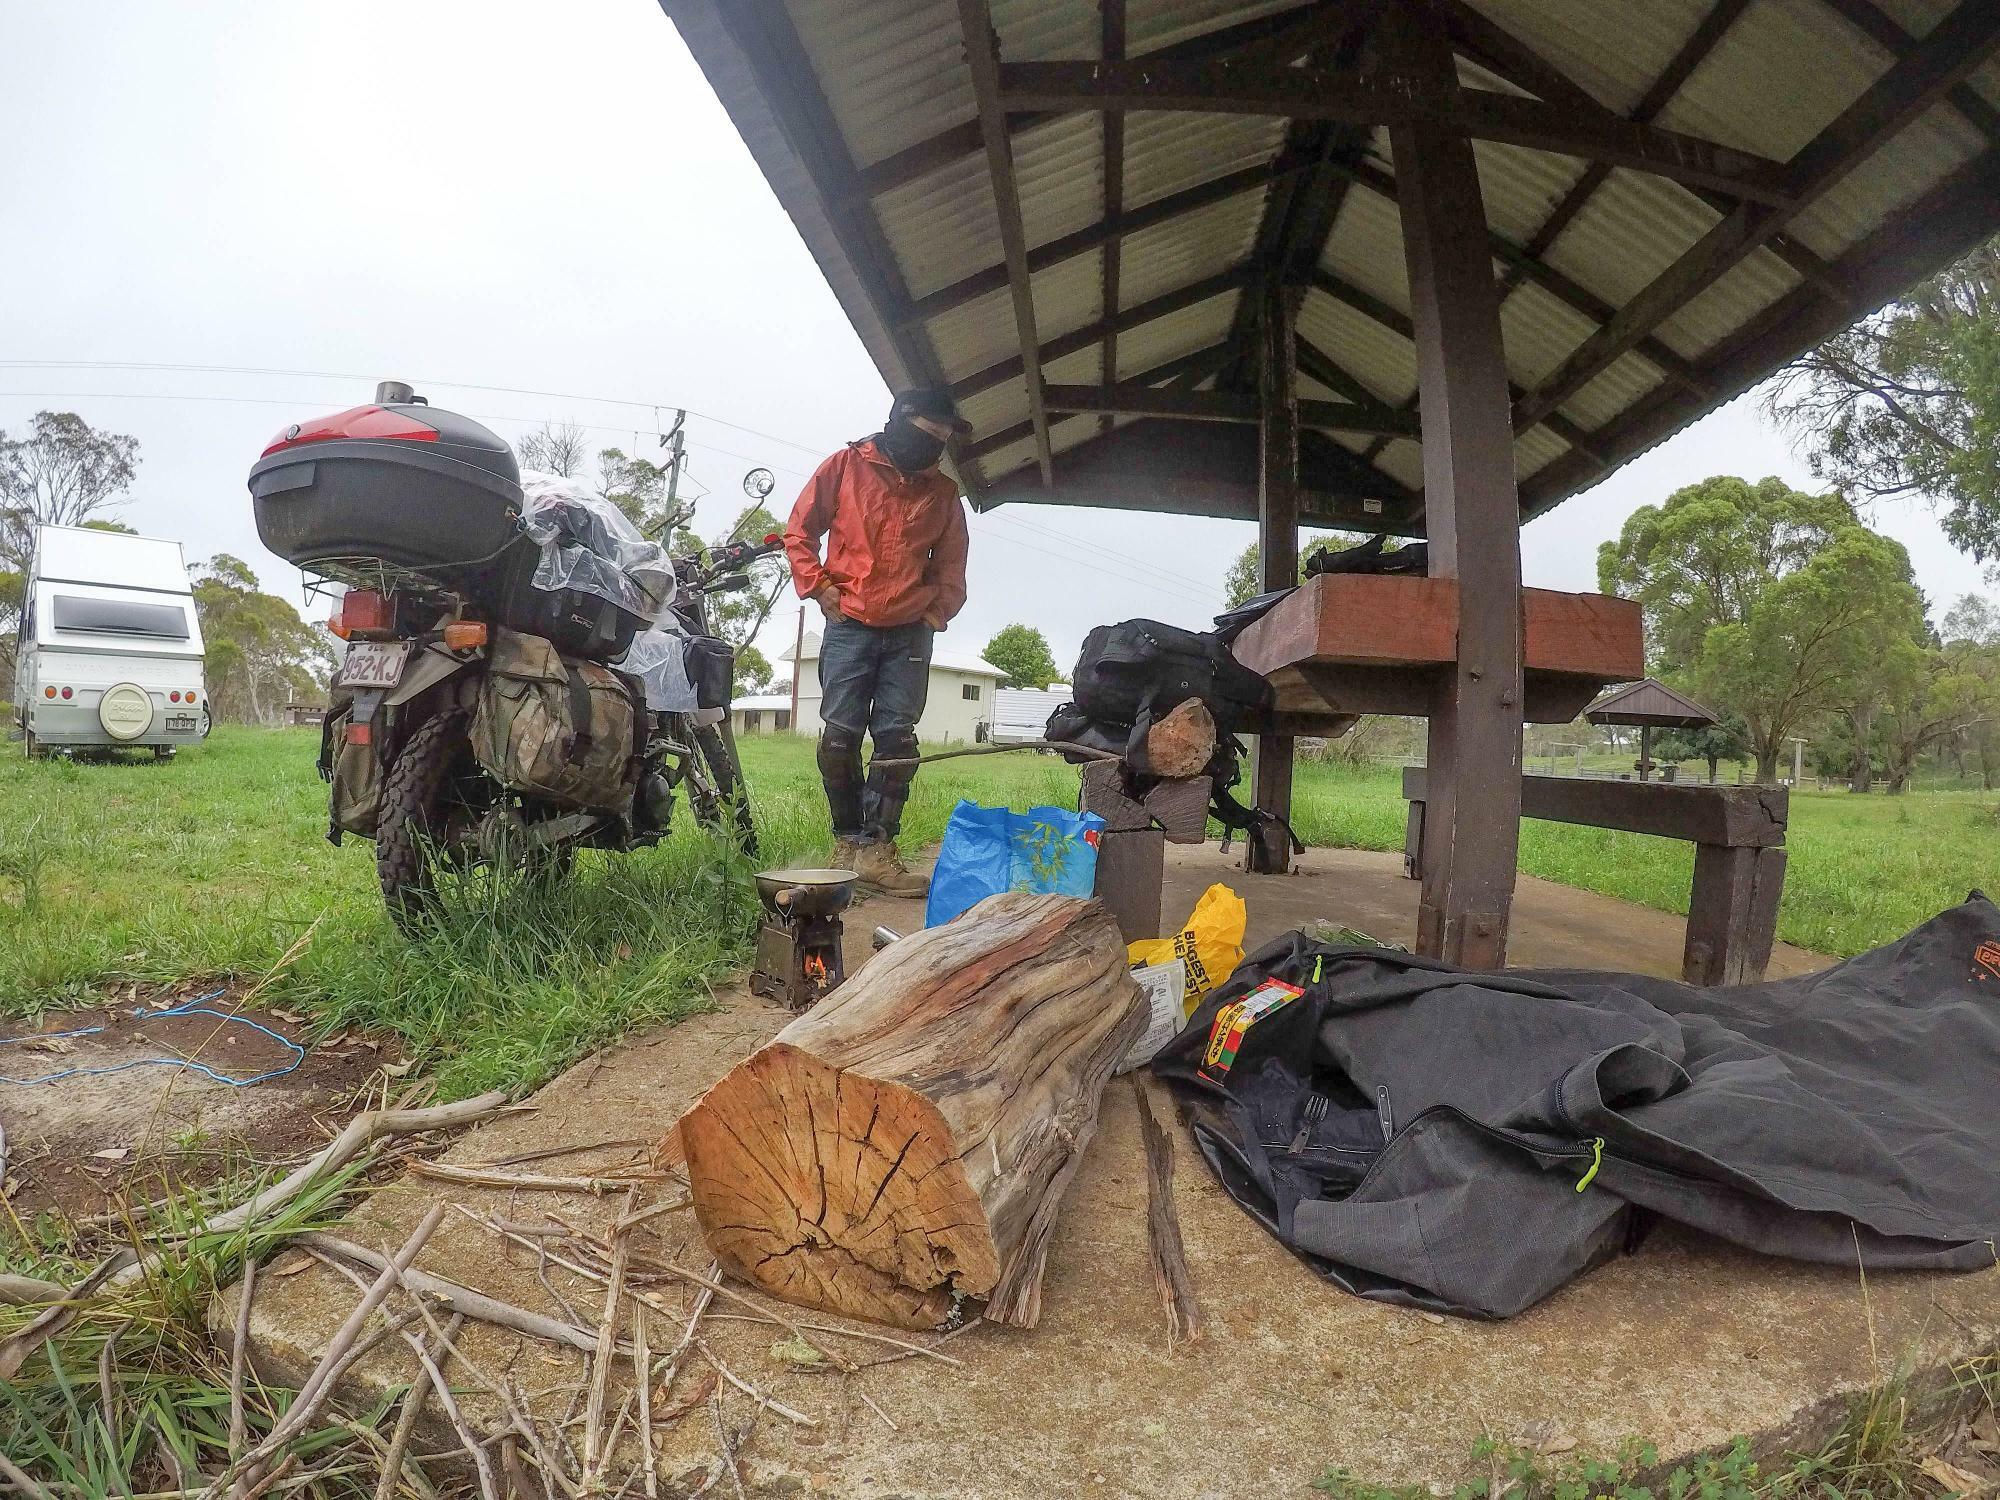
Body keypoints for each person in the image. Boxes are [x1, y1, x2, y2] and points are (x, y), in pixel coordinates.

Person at [784, 388, 970, 896]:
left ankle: (879, 849)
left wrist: (936, 613)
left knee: (897, 740)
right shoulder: (845, 466)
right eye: (928, 435)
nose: (934, 446)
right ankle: (847, 842)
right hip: (849, 623)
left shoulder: (945, 494)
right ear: (901, 422)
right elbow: (798, 532)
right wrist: (820, 588)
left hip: (910, 629)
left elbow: (951, 566)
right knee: (839, 735)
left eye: (943, 440)